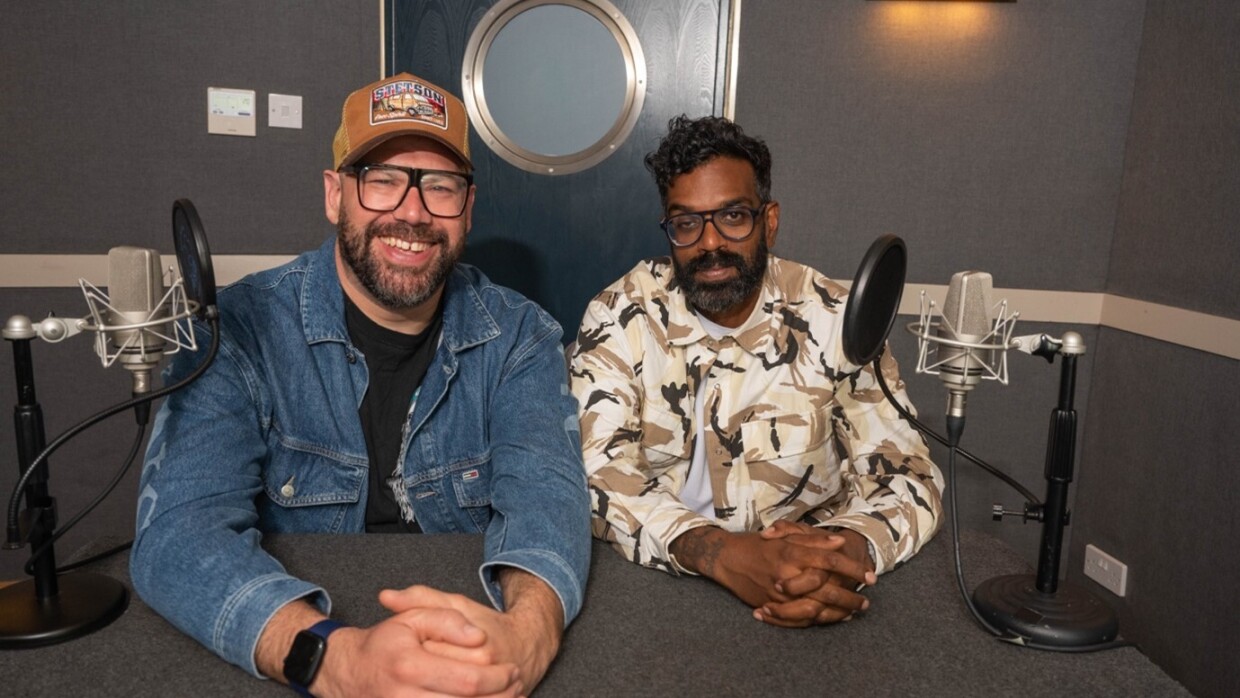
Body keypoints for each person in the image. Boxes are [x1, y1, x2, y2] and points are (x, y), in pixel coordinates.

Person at [131, 72, 590, 697]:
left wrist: (526, 642)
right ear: (334, 195)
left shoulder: (521, 335)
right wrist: (336, 662)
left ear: (468, 210)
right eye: (382, 180)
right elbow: (179, 534)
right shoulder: (236, 331)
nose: (412, 211)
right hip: (292, 641)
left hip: (473, 630)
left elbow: (546, 502)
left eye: (441, 187)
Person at [570, 115, 942, 628]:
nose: (709, 243)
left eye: (733, 217)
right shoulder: (617, 316)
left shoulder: (834, 319)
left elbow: (906, 471)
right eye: (686, 222)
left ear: (769, 221)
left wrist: (844, 554)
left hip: (815, 586)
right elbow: (597, 475)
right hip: (662, 591)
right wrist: (723, 555)